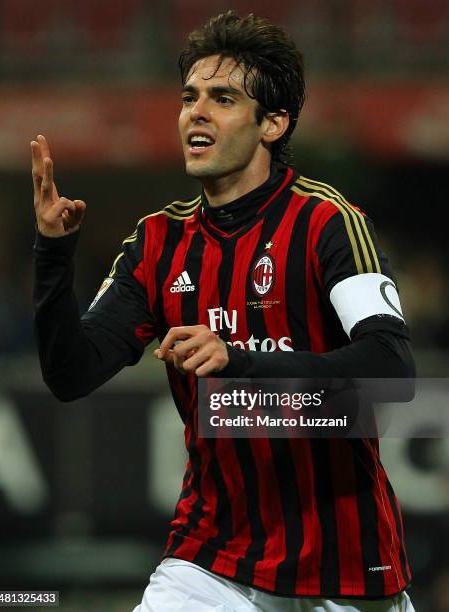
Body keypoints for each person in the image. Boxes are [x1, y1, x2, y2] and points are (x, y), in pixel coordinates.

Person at [31, 10, 416, 612]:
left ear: (273, 123)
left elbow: (390, 373)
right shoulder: (158, 242)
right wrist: (53, 256)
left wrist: (237, 362)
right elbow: (71, 373)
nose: (196, 112)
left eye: (223, 98)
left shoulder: (327, 222)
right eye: (189, 97)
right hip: (213, 560)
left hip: (345, 565)